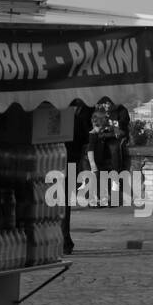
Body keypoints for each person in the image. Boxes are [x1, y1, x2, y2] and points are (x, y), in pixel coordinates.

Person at [61, 99, 94, 254]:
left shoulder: (60, 116)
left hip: (57, 161)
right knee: (64, 203)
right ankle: (65, 240)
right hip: (71, 162)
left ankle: (62, 240)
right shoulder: (77, 119)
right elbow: (85, 141)